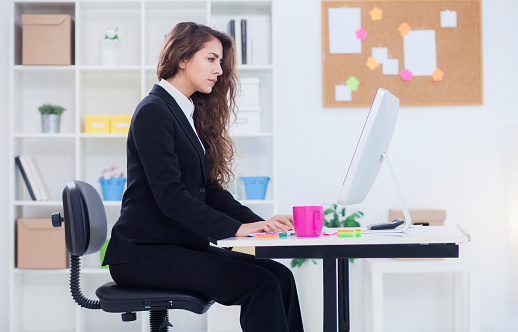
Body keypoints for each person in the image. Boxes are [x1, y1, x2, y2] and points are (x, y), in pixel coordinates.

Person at [102, 22, 304, 332]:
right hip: (143, 254)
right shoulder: (154, 111)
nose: (219, 70)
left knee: (280, 276)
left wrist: (260, 227)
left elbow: (208, 191)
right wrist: (236, 229)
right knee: (261, 284)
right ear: (182, 58)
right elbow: (172, 198)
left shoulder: (184, 112)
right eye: (211, 59)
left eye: (220, 61)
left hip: (173, 247)